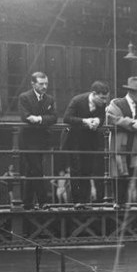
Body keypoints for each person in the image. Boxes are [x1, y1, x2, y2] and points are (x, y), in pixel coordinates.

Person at [106, 76, 137, 206]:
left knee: (135, 173)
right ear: (132, 92)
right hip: (120, 144)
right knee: (120, 175)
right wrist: (131, 123)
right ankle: (119, 204)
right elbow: (112, 118)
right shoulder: (117, 103)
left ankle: (134, 206)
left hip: (135, 146)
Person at [62, 80, 110, 205]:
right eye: (102, 98)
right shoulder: (77, 100)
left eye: (106, 98)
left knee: (88, 170)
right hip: (75, 140)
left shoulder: (102, 104)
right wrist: (85, 121)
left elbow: (102, 117)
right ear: (94, 94)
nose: (104, 102)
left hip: (90, 140)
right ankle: (77, 202)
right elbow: (66, 118)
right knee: (76, 170)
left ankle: (85, 201)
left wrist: (98, 121)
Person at [17, 71, 58, 209]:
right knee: (37, 168)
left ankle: (27, 203)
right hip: (28, 140)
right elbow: (26, 116)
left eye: (46, 83)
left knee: (32, 170)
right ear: (33, 84)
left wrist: (39, 119)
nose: (44, 86)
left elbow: (54, 118)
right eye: (41, 84)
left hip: (41, 139)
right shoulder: (24, 97)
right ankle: (43, 201)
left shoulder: (49, 99)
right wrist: (41, 119)